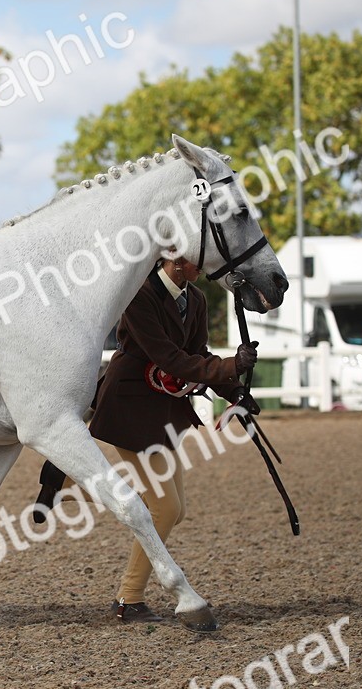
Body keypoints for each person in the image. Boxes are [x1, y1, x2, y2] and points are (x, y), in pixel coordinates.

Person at [34, 254, 258, 624]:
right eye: (193, 259)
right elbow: (169, 358)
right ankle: (128, 599)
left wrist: (233, 391)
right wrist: (230, 364)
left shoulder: (197, 300)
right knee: (165, 508)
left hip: (163, 412)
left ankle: (63, 470)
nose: (201, 266)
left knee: (176, 511)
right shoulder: (138, 296)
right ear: (172, 257)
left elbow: (196, 355)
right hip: (129, 405)